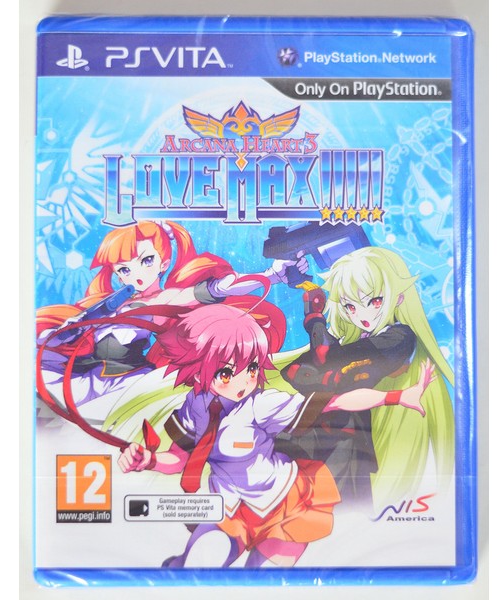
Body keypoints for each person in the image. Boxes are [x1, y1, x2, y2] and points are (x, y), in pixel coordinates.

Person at [118, 300, 434, 567]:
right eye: (226, 372)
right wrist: (147, 460)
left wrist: (397, 397)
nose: (244, 381)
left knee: (262, 582)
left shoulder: (262, 404)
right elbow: (178, 459)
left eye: (252, 368)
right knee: (200, 564)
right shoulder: (195, 405)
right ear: (200, 367)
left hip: (284, 505)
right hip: (228, 509)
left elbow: (336, 402)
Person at [36, 220, 307, 423]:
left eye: (146, 260)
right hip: (88, 381)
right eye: (125, 269)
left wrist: (271, 275)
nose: (136, 274)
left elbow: (219, 288)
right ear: (118, 275)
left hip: (129, 386)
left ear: (163, 263)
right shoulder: (111, 303)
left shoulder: (166, 298)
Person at [279, 246, 455, 510]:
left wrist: (315, 320)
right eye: (350, 306)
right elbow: (295, 372)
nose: (361, 315)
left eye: (374, 301)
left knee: (345, 512)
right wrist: (332, 372)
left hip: (350, 446)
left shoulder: (399, 337)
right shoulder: (352, 340)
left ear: (397, 297)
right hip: (318, 437)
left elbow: (329, 362)